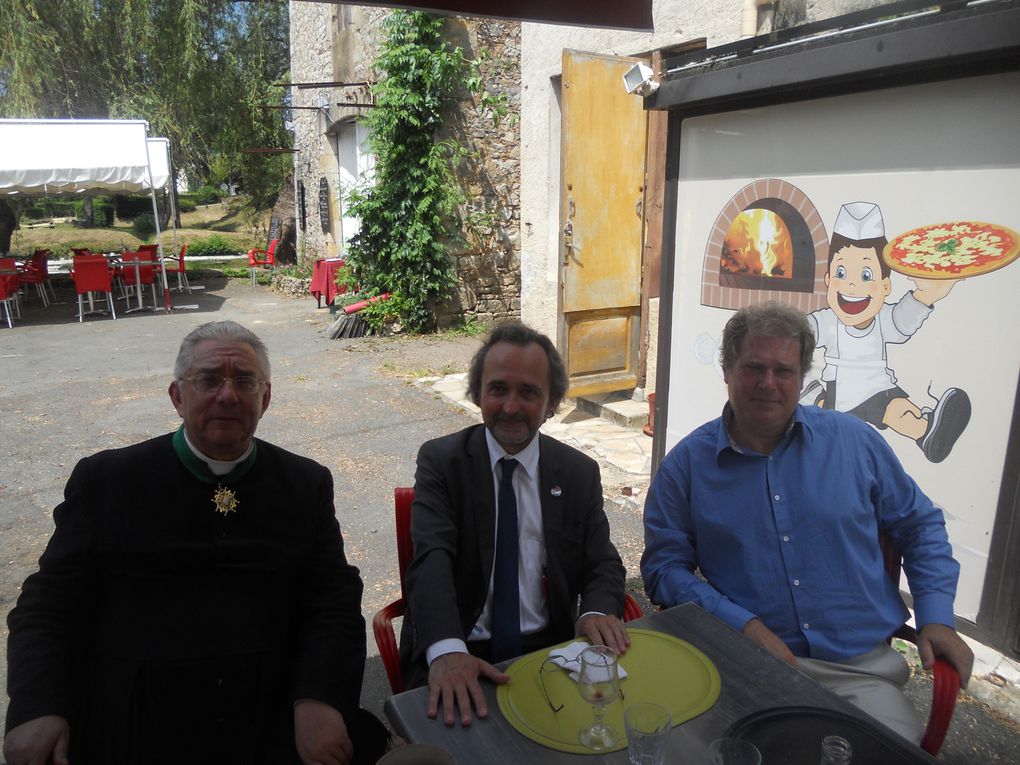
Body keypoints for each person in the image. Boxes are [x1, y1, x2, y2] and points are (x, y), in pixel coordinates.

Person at [4, 320, 387, 765]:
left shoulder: (305, 483)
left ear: (265, 398)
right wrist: (38, 706)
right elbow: (48, 605)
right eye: (208, 379)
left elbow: (333, 599)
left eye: (245, 381)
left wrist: (319, 698)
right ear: (177, 397)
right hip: (136, 721)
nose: (227, 395)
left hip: (270, 718)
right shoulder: (108, 480)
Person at [641, 302, 974, 744]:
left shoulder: (854, 443)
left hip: (859, 673)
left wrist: (937, 617)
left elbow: (920, 525)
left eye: (784, 370)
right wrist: (741, 624)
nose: (768, 383)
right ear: (726, 370)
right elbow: (664, 568)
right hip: (741, 664)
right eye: (753, 367)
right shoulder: (686, 466)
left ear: (803, 377)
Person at [399, 322, 629, 727]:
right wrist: (447, 648)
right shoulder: (442, 462)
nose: (510, 406)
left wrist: (593, 611)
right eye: (498, 389)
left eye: (528, 392)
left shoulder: (577, 473)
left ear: (552, 401)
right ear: (477, 393)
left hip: (550, 652)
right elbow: (431, 560)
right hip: (461, 645)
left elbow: (602, 563)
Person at [803, 201, 969, 463]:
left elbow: (902, 322)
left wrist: (926, 294)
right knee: (833, 428)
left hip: (879, 387)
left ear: (886, 286)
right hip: (841, 394)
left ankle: (928, 433)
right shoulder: (829, 321)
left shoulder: (882, 318)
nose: (853, 284)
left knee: (898, 410)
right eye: (842, 272)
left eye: (866, 274)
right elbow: (804, 332)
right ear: (828, 281)